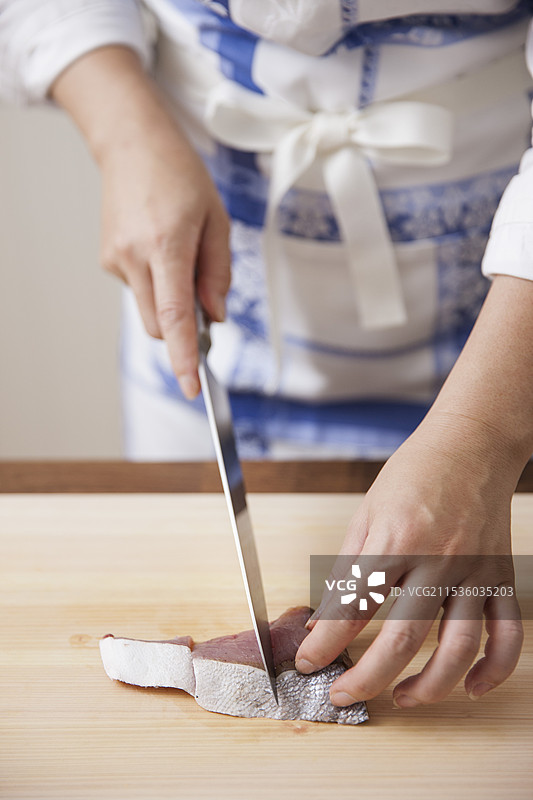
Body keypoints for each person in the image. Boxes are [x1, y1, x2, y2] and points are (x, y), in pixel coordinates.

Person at [1, 0, 532, 708]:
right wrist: (122, 130)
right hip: (208, 310)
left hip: (501, 343)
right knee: (182, 566)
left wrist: (484, 433)